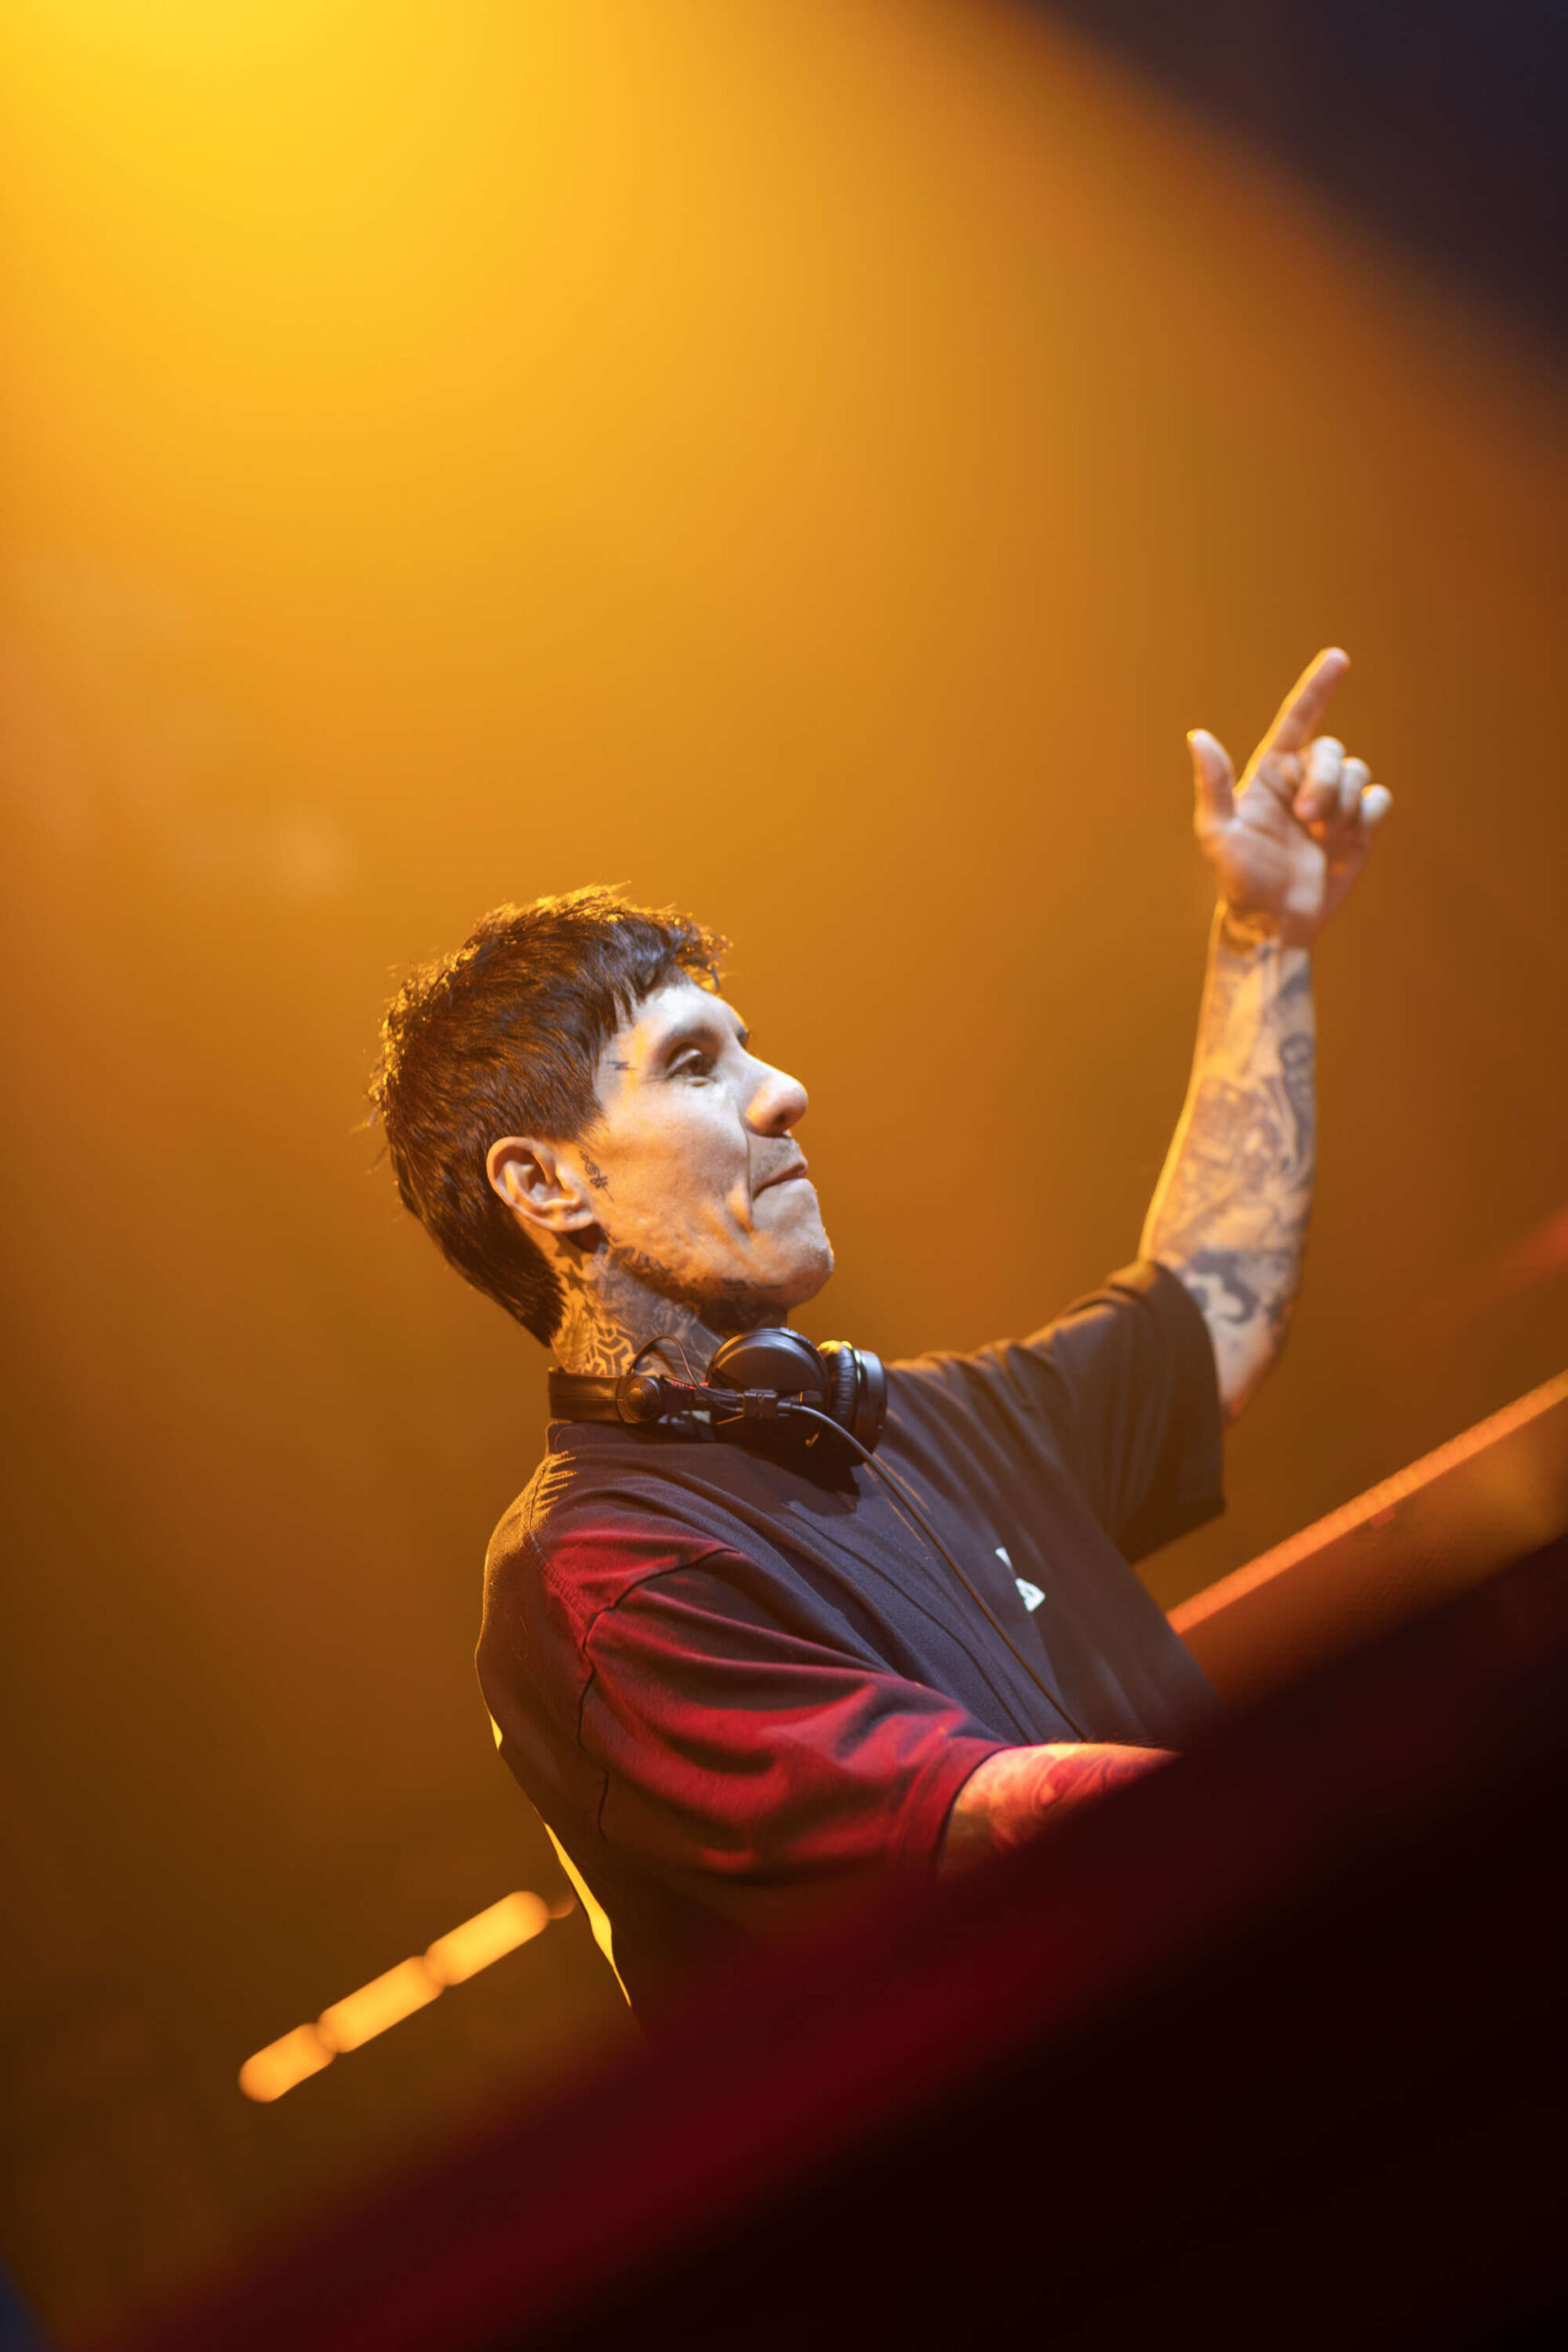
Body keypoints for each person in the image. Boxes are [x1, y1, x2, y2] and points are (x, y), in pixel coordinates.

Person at [371, 648, 1393, 2019]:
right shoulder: (602, 1577)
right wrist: (1389, 1776)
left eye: (752, 1047)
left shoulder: (904, 1422)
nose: (785, 1091)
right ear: (547, 1186)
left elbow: (1216, 1307)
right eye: (694, 1064)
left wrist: (1264, 939)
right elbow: (1003, 1825)